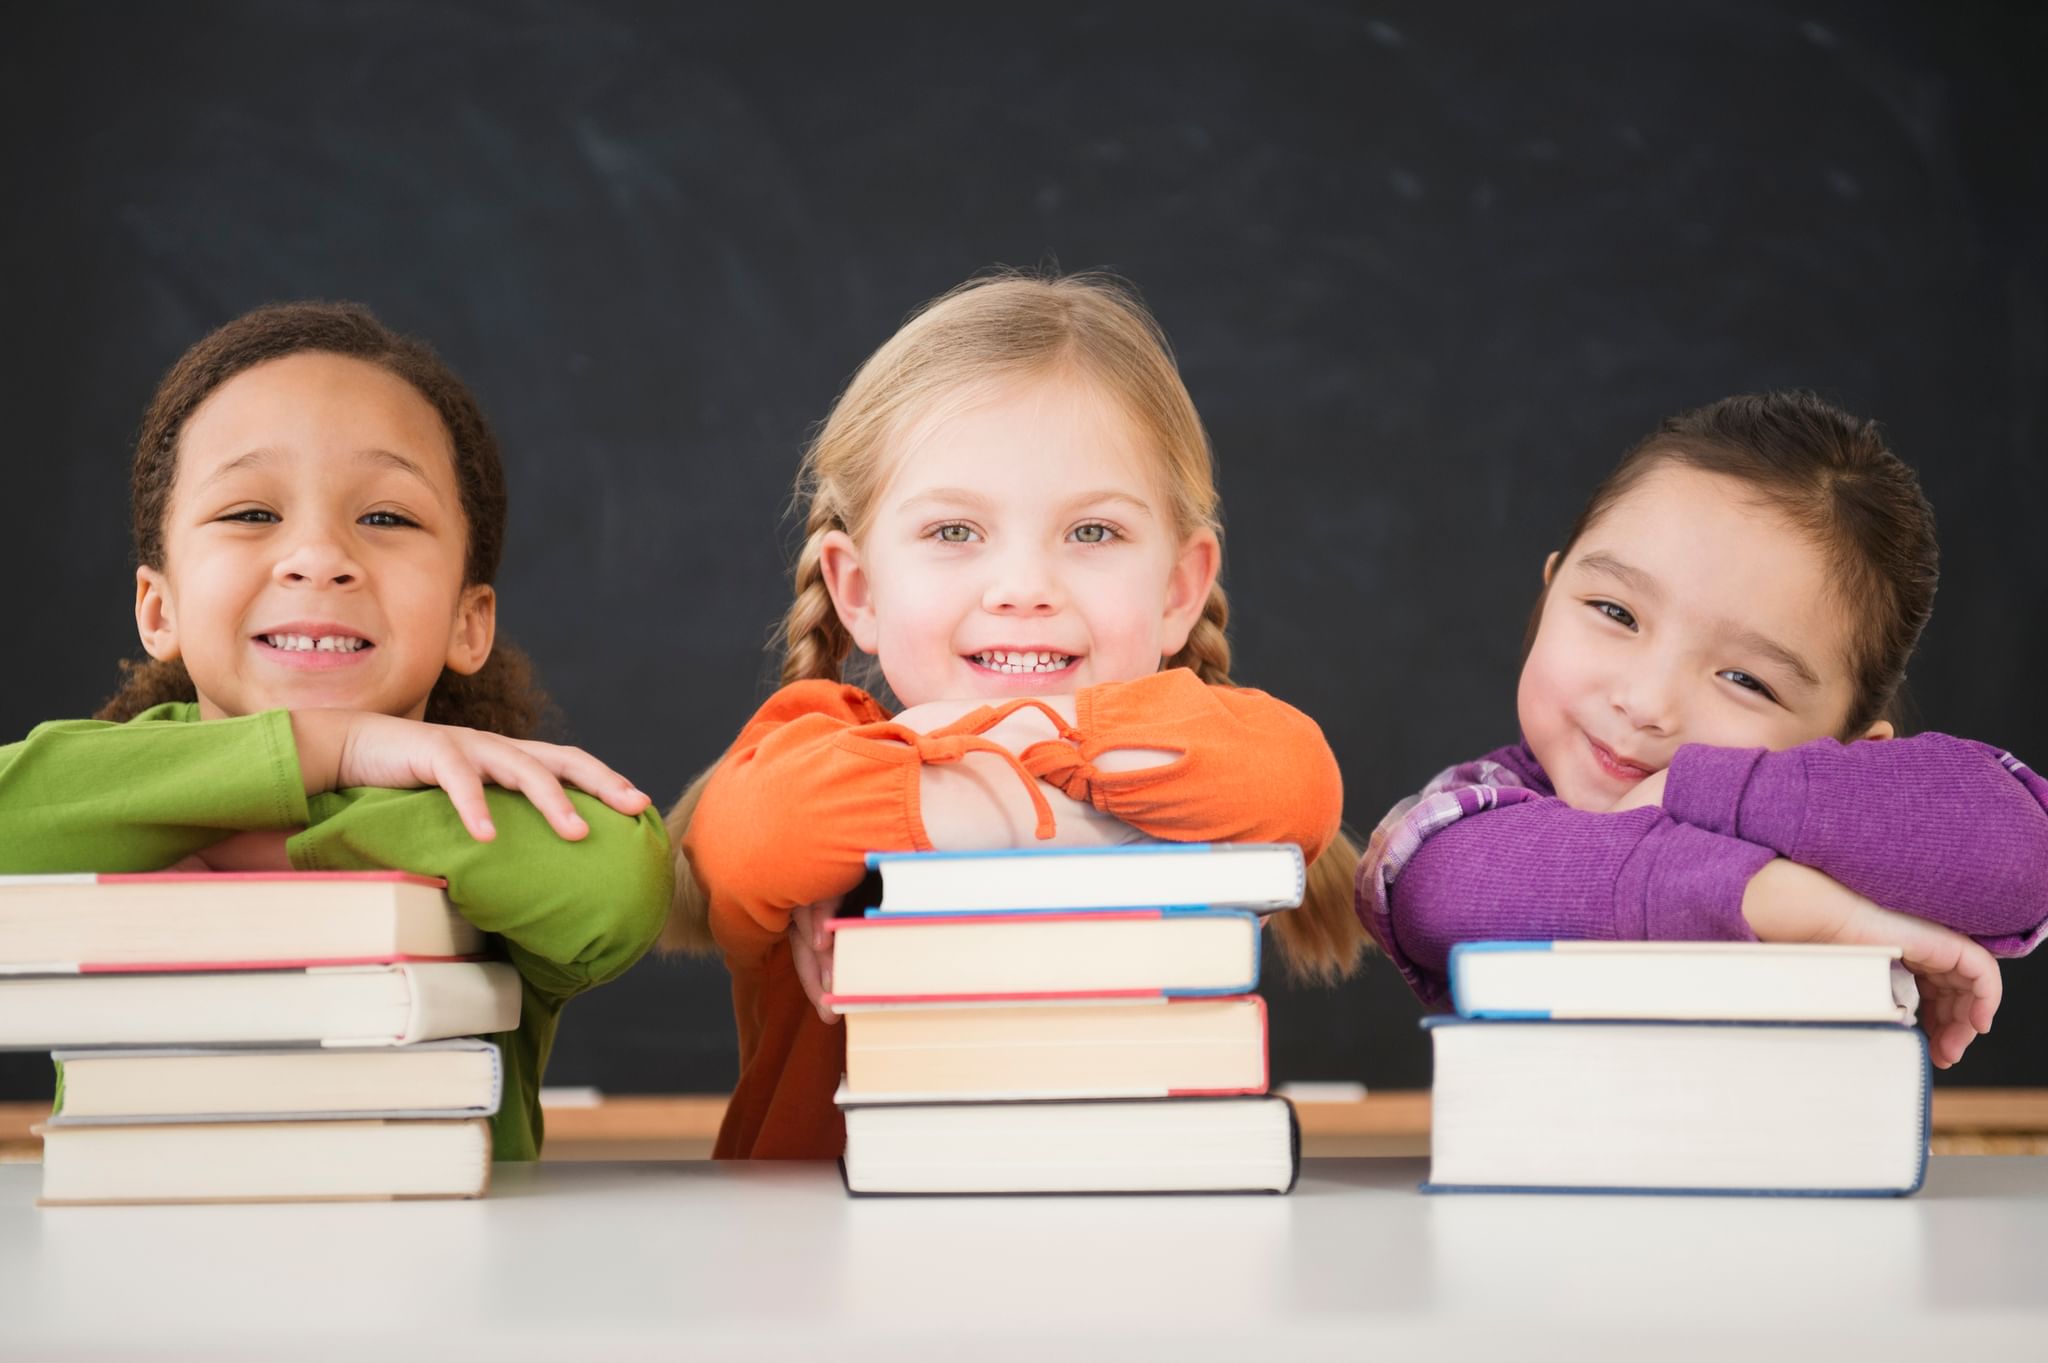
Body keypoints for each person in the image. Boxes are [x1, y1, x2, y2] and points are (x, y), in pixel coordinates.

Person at [670, 271, 1365, 1157]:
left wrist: (968, 760)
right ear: (857, 588)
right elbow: (755, 841)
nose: (1025, 589)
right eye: (955, 532)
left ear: (1180, 589)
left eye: (1092, 533)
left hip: (1140, 1245)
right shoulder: (811, 742)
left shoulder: (1215, 741)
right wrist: (1023, 793)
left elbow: (1298, 785)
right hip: (836, 1265)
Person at [0, 302, 672, 1156]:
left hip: (457, 1275)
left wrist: (258, 828)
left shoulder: (494, 801)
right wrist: (334, 747)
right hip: (143, 1263)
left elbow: (618, 886)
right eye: (249, 512)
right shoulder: (106, 776)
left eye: (386, 517)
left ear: (470, 622)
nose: (318, 555)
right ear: (158, 608)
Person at [1357, 391, 2047, 1067]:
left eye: (1746, 679)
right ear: (1548, 593)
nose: (1648, 702)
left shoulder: (1843, 818)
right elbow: (1429, 889)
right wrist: (1782, 901)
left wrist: (1700, 787)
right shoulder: (1477, 811)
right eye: (1616, 612)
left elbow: (2027, 857)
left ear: (1845, 751)